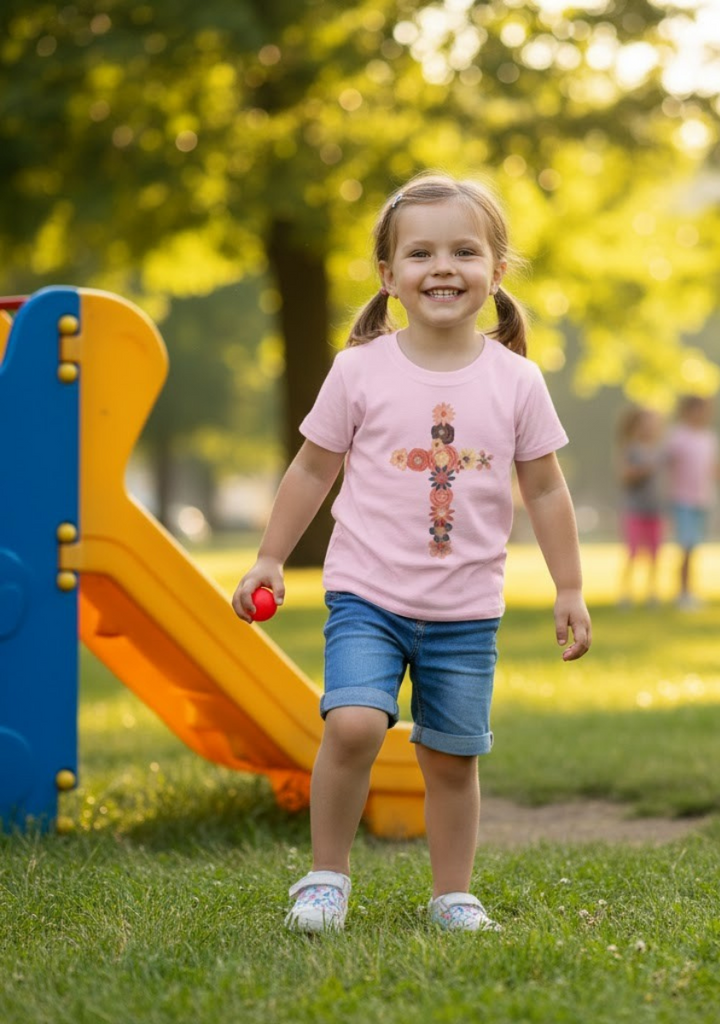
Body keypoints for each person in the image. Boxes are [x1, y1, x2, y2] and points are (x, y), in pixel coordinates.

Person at [232, 173, 591, 934]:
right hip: (368, 596)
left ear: (496, 270)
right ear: (389, 276)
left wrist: (569, 589)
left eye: (465, 251)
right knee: (355, 725)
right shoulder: (359, 370)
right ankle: (325, 879)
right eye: (420, 252)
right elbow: (311, 469)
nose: (442, 267)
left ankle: (452, 894)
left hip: (465, 610)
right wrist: (269, 557)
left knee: (452, 758)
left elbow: (548, 491)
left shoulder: (518, 382)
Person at [663, 394, 720, 610]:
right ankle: (683, 592)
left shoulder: (709, 438)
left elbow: (712, 467)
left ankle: (689, 590)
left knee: (693, 547)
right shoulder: (677, 436)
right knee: (686, 546)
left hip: (702, 499)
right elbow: (666, 462)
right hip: (682, 499)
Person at [615, 405, 664, 607]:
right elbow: (625, 475)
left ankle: (652, 593)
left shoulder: (659, 451)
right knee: (633, 553)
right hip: (635, 510)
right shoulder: (631, 449)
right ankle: (626, 594)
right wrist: (645, 470)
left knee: (655, 555)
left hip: (655, 510)